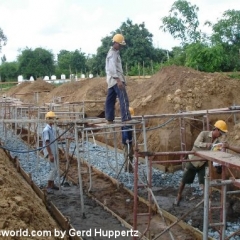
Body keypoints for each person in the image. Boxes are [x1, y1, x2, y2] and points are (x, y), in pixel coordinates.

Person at [174, 120, 228, 206]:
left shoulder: (217, 142)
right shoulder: (204, 134)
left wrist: (218, 164)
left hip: (203, 163)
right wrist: (206, 145)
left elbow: (216, 153)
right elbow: (196, 143)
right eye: (220, 133)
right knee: (184, 180)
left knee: (204, 182)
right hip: (193, 160)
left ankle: (206, 200)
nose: (221, 135)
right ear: (216, 129)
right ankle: (179, 195)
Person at [105, 33, 131, 124]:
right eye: (120, 45)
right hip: (116, 79)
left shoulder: (113, 52)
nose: (121, 47)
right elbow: (112, 68)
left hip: (111, 80)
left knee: (110, 99)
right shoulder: (113, 53)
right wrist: (118, 80)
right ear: (116, 43)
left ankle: (109, 118)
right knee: (123, 98)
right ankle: (126, 117)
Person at [42, 111, 59, 193]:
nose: (53, 120)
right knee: (53, 169)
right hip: (50, 152)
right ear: (48, 119)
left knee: (55, 169)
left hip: (53, 150)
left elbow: (53, 140)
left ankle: (52, 184)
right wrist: (50, 154)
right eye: (52, 119)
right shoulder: (46, 130)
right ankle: (48, 186)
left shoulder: (51, 129)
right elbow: (47, 142)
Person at [122, 107, 134, 172]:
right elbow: (125, 131)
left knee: (130, 155)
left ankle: (129, 168)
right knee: (128, 155)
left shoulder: (129, 122)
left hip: (129, 141)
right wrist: (126, 138)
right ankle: (127, 169)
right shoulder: (126, 122)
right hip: (126, 142)